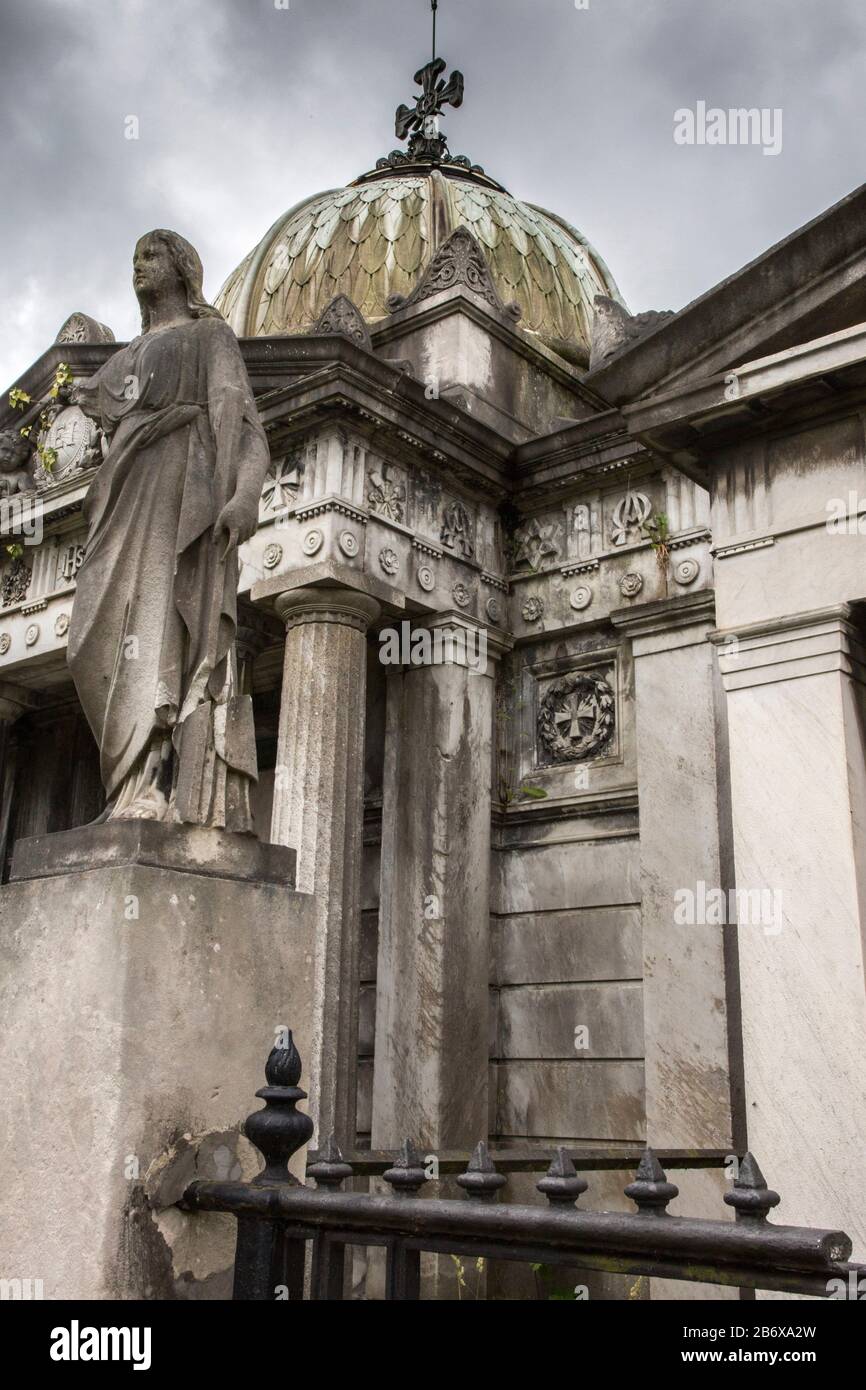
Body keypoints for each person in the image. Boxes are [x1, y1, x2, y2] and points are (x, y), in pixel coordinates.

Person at [67, 229, 270, 830]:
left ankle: (154, 785)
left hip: (181, 496)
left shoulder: (209, 337)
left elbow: (249, 430)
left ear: (182, 268)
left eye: (151, 256)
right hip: (121, 502)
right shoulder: (124, 359)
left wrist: (244, 495)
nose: (139, 266)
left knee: (158, 631)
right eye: (134, 257)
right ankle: (122, 787)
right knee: (88, 644)